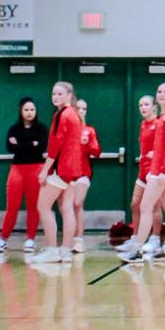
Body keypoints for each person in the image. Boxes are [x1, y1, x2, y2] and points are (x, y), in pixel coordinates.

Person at [118, 81, 165, 263]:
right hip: (160, 170)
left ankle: (137, 249)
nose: (162, 94)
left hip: (162, 171)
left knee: (145, 207)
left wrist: (164, 171)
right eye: (159, 91)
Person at [36, 79, 82, 262]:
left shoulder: (62, 115)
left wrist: (44, 171)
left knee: (43, 206)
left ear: (70, 96)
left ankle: (52, 250)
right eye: (54, 93)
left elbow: (55, 146)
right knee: (67, 207)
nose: (55, 97)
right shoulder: (74, 114)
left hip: (62, 168)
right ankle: (65, 250)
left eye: (60, 94)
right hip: (73, 168)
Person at [0, 96, 46, 252]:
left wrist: (20, 144)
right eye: (26, 109)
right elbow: (10, 148)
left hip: (36, 167)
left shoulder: (41, 129)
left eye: (32, 109)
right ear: (21, 111)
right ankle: (3, 239)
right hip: (17, 169)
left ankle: (30, 239)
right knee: (12, 206)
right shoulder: (14, 128)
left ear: (36, 111)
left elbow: (42, 147)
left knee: (33, 206)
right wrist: (32, 144)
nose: (29, 112)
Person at [128, 93, 165, 255]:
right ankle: (137, 237)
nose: (143, 108)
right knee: (135, 204)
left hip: (154, 171)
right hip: (143, 170)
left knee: (155, 205)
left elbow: (163, 147)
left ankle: (155, 238)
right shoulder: (144, 124)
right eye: (140, 105)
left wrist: (155, 157)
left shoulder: (159, 124)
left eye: (146, 104)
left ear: (154, 107)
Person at [71, 96, 101, 252]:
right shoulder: (67, 129)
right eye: (78, 108)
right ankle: (69, 238)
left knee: (77, 203)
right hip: (67, 173)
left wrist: (88, 143)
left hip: (83, 172)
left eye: (84, 109)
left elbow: (97, 152)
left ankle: (79, 238)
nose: (81, 111)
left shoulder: (89, 130)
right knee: (67, 206)